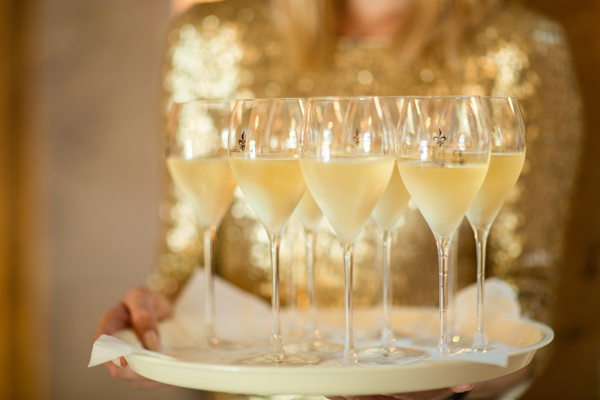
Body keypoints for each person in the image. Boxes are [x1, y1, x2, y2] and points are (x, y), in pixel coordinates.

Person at [94, 0, 583, 398]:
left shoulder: (518, 45)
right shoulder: (210, 36)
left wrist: (445, 382)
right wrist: (153, 319)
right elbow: (185, 267)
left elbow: (525, 304)